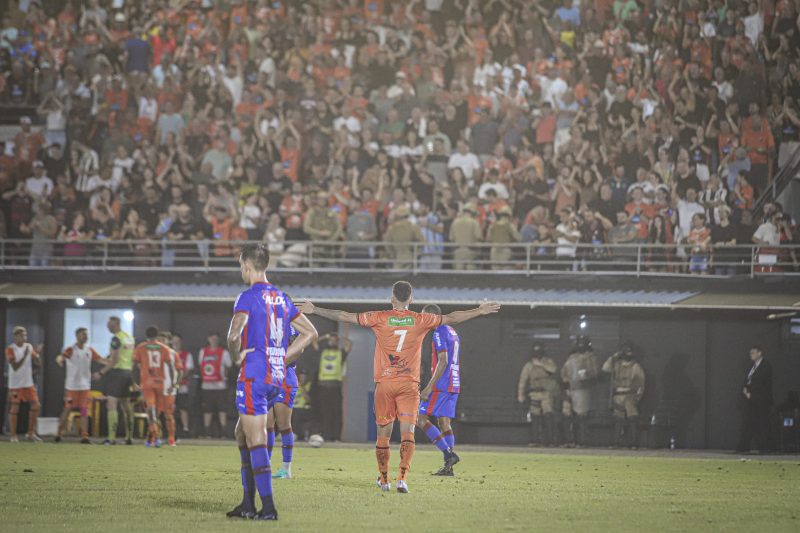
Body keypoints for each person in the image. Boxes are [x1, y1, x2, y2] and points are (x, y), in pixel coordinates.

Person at [299, 281, 499, 493]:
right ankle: (402, 479)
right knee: (408, 433)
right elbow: (452, 317)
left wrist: (315, 310)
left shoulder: (379, 317)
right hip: (409, 385)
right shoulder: (421, 320)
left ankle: (384, 479)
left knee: (383, 435)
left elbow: (344, 315)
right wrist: (479, 311)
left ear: (392, 298)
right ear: (411, 299)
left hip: (385, 384)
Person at [226, 243, 317, 520]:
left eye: (241, 265)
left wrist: (236, 356)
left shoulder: (247, 296)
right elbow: (310, 333)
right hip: (276, 375)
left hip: (255, 373)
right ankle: (247, 504)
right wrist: (281, 356)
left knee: (255, 439)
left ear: (247, 265)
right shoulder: (281, 297)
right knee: (242, 434)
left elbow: (233, 335)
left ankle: (267, 508)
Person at [417, 304, 462, 476]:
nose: (422, 320)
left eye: (424, 316)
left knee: (420, 419)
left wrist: (429, 387)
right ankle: (448, 467)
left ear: (432, 316)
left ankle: (448, 454)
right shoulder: (452, 331)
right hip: (454, 383)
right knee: (444, 423)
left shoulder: (438, 332)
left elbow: (443, 360)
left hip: (441, 384)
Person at [55, 327, 105, 443]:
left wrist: (112, 362)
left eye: (86, 334)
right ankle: (59, 433)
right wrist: (59, 360)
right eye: (83, 334)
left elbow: (101, 360)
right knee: (67, 409)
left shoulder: (89, 350)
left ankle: (84, 436)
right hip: (72, 387)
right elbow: (61, 357)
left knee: (84, 411)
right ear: (77, 335)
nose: (85, 336)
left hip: (85, 387)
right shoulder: (71, 349)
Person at [267, 327, 302, 480]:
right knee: (266, 426)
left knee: (283, 426)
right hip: (267, 378)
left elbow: (297, 350)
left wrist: (278, 363)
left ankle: (286, 469)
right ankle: (265, 466)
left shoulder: (291, 326)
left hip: (285, 379)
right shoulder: (266, 322)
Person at [132, 326, 175, 448]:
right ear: (156, 335)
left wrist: (134, 382)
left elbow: (134, 366)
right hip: (160, 384)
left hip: (147, 384)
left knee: (151, 413)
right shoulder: (164, 348)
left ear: (146, 335)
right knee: (157, 413)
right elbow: (171, 367)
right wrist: (172, 383)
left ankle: (155, 438)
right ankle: (153, 438)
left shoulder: (141, 347)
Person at [96, 316, 135, 445]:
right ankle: (129, 437)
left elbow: (115, 360)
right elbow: (128, 357)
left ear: (116, 324)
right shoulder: (129, 337)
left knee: (111, 404)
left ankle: (111, 438)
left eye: (110, 325)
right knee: (126, 406)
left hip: (117, 373)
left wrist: (101, 372)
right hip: (128, 372)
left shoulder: (116, 338)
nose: (108, 327)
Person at [602, 343, 646, 448]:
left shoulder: (636, 366)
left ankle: (634, 443)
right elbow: (605, 368)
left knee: (632, 419)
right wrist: (613, 357)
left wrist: (637, 397)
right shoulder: (617, 364)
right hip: (618, 395)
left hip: (630, 395)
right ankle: (616, 442)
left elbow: (641, 383)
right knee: (618, 420)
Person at [5, 327, 43, 443]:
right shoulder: (10, 349)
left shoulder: (29, 347)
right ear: (16, 337)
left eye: (25, 335)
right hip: (15, 384)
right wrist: (25, 355)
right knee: (15, 408)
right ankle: (13, 435)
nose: (25, 338)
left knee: (36, 405)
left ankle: (30, 433)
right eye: (22, 336)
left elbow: (36, 362)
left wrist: (37, 356)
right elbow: (15, 367)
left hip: (28, 383)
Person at [517, 343, 559, 446]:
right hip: (534, 393)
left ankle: (550, 441)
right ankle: (535, 440)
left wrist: (542, 364)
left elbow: (553, 369)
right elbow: (523, 380)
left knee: (548, 416)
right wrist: (520, 394)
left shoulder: (548, 362)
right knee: (535, 417)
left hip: (546, 394)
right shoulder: (529, 365)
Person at [560, 335, 598, 447]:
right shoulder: (571, 357)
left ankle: (582, 441)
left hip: (582, 389)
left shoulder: (591, 357)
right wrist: (565, 382)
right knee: (566, 414)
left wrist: (586, 376)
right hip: (569, 388)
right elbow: (564, 372)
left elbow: (594, 373)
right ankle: (569, 440)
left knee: (581, 416)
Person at [315, 332, 352, 442]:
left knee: (336, 412)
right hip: (323, 386)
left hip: (335, 386)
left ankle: (336, 437)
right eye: (331, 340)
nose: (333, 341)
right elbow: (313, 341)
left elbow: (349, 344)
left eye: (335, 340)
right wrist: (325, 336)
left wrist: (341, 337)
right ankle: (326, 437)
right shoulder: (323, 352)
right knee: (325, 412)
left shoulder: (341, 353)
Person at [736, 346, 773, 453]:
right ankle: (743, 446)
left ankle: (765, 447)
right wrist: (745, 390)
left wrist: (750, 393)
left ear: (760, 353)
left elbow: (761, 383)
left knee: (761, 423)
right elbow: (748, 380)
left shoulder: (765, 366)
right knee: (748, 423)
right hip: (751, 401)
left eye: (753, 353)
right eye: (750, 353)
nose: (751, 355)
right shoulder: (752, 367)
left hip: (761, 401)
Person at [199, 332, 233, 438]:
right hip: (206, 385)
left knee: (222, 409)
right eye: (212, 339)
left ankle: (223, 432)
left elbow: (228, 366)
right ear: (208, 339)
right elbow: (201, 365)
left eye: (216, 339)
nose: (214, 341)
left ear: (218, 340)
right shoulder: (203, 351)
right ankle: (207, 432)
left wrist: (223, 376)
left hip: (220, 386)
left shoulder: (224, 352)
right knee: (207, 410)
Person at [157, 330, 181, 447]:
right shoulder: (154, 353)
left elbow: (180, 370)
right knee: (155, 414)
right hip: (156, 388)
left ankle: (171, 438)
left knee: (168, 415)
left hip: (169, 389)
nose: (161, 342)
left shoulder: (173, 354)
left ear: (168, 341)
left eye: (163, 339)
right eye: (159, 339)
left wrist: (175, 384)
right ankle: (156, 438)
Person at [171, 333, 194, 437]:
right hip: (169, 387)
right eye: (174, 341)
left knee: (183, 408)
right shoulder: (168, 354)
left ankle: (185, 429)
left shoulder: (186, 355)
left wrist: (178, 380)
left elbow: (188, 370)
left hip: (182, 386)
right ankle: (171, 429)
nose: (176, 344)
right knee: (170, 408)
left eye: (178, 342)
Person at [292, 370, 314, 441]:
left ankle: (301, 435)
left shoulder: (309, 385)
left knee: (299, 413)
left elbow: (308, 399)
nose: (302, 378)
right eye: (301, 377)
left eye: (304, 377)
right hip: (293, 408)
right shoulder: (294, 385)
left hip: (303, 408)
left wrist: (302, 388)